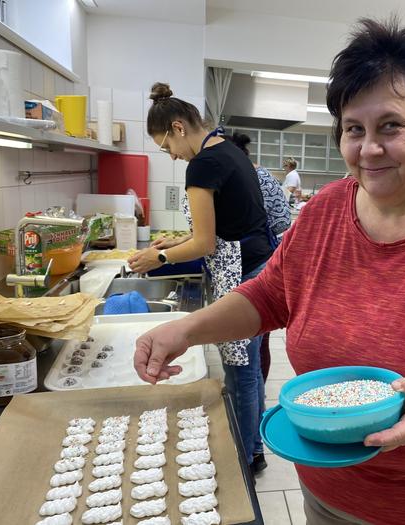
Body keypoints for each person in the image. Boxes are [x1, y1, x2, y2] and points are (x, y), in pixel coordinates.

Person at [134, 18, 405, 525]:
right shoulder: (325, 212)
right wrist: (186, 330)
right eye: (353, 129)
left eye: (391, 125)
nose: (368, 149)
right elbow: (270, 296)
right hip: (332, 493)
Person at [128, 82, 271, 476]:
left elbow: (207, 242)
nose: (171, 156)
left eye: (166, 147)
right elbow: (227, 224)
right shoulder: (228, 150)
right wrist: (175, 240)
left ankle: (244, 459)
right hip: (257, 268)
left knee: (240, 371)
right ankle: (255, 447)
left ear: (177, 127)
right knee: (250, 366)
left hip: (240, 274)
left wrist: (157, 256)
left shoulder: (202, 164)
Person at [225, 131, 292, 382]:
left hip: (251, 262)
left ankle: (254, 389)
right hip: (263, 255)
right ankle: (257, 388)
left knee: (252, 340)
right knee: (259, 340)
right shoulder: (263, 175)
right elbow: (283, 219)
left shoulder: (238, 176)